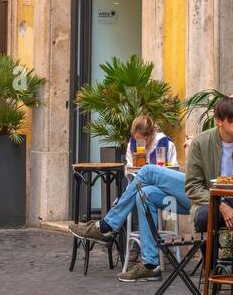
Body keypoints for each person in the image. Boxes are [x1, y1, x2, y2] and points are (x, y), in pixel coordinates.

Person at [68, 116, 182, 283]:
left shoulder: (165, 144)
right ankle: (150, 265)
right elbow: (129, 172)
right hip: (141, 191)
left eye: (143, 139)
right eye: (137, 139)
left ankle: (106, 226)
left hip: (165, 193)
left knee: (147, 174)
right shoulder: (132, 144)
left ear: (151, 135)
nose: (140, 142)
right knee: (143, 193)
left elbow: (174, 171)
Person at [184, 96, 233, 234]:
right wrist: (220, 205)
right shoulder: (200, 143)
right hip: (213, 200)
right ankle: (209, 256)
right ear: (219, 121)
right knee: (204, 217)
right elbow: (193, 187)